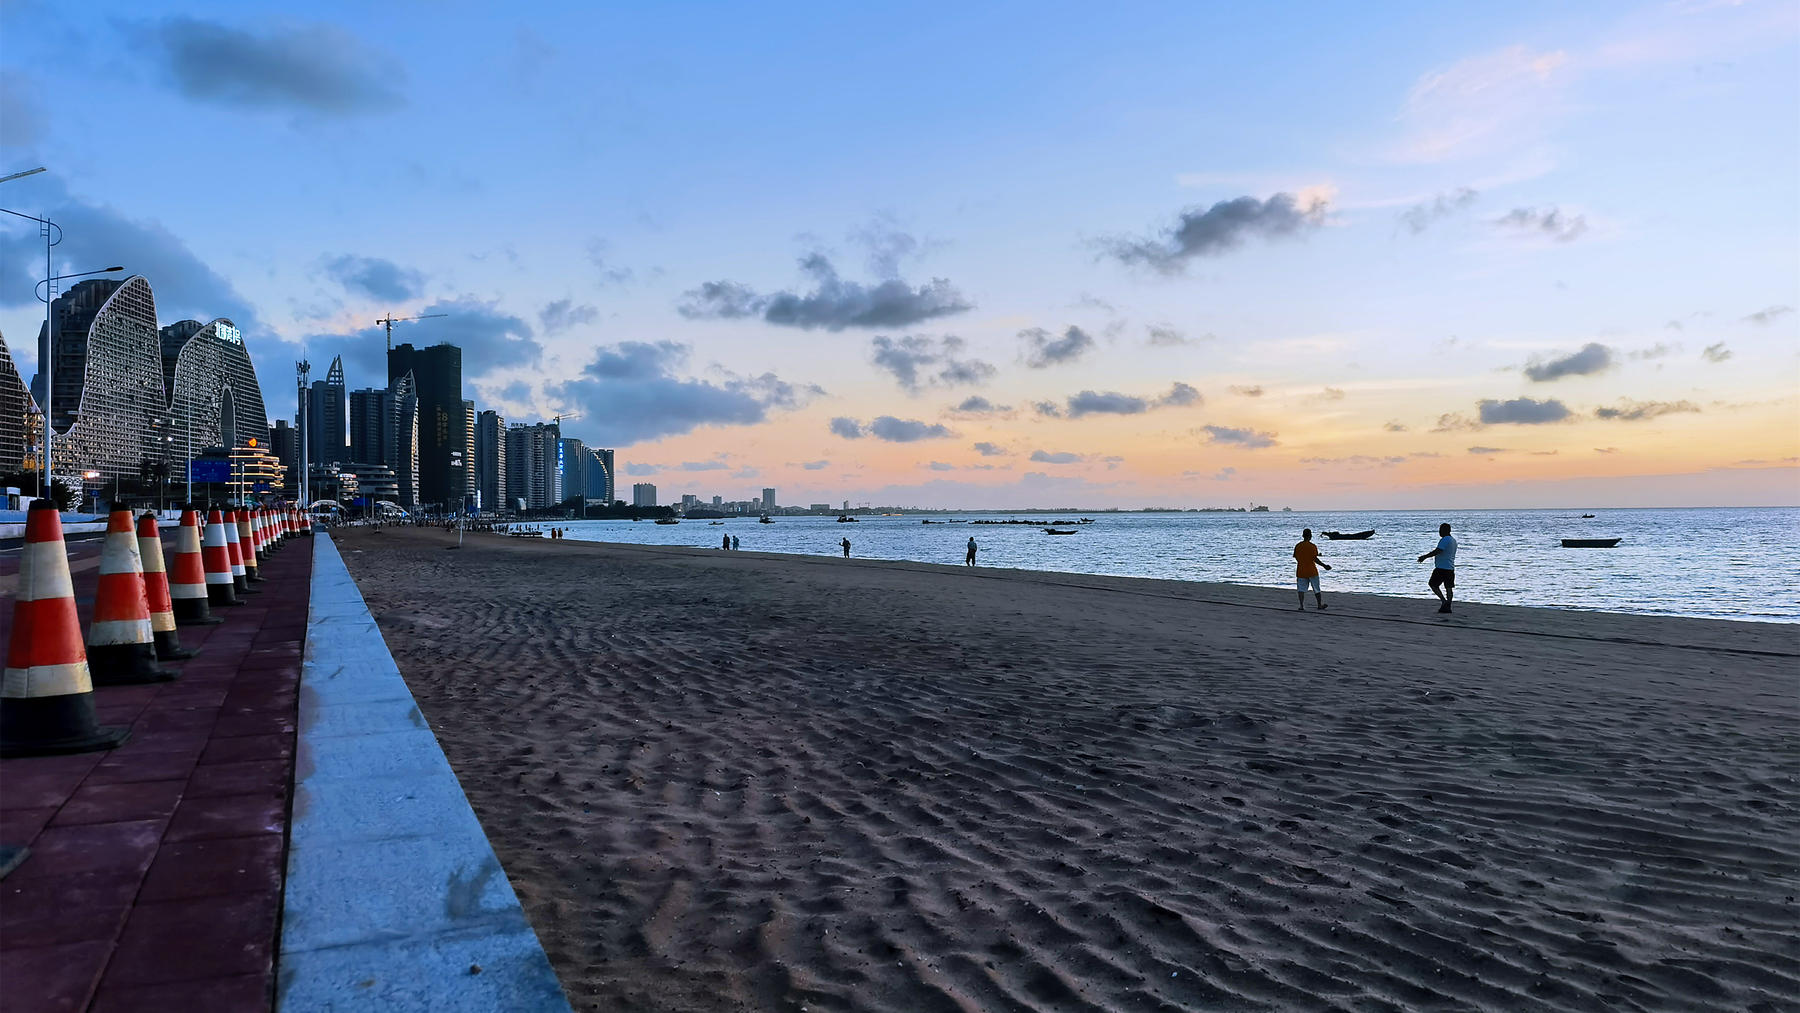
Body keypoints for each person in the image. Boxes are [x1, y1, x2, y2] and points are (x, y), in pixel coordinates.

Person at [1417, 522, 1457, 614]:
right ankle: (1448, 605)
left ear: (1445, 530)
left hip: (1441, 568)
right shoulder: (1453, 540)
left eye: (1441, 530)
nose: (1439, 532)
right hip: (1450, 568)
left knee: (1433, 584)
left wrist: (1425, 557)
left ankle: (1444, 601)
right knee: (1448, 587)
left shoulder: (1445, 539)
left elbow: (1438, 551)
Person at [1293, 528, 1330, 611]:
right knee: (1316, 588)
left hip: (1301, 570)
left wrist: (1302, 562)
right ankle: (1319, 605)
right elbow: (1315, 559)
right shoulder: (1312, 546)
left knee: (1301, 589)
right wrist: (1324, 565)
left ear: (1303, 536)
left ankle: (1301, 605)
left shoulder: (1298, 546)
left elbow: (1296, 557)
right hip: (1312, 570)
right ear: (1310, 536)